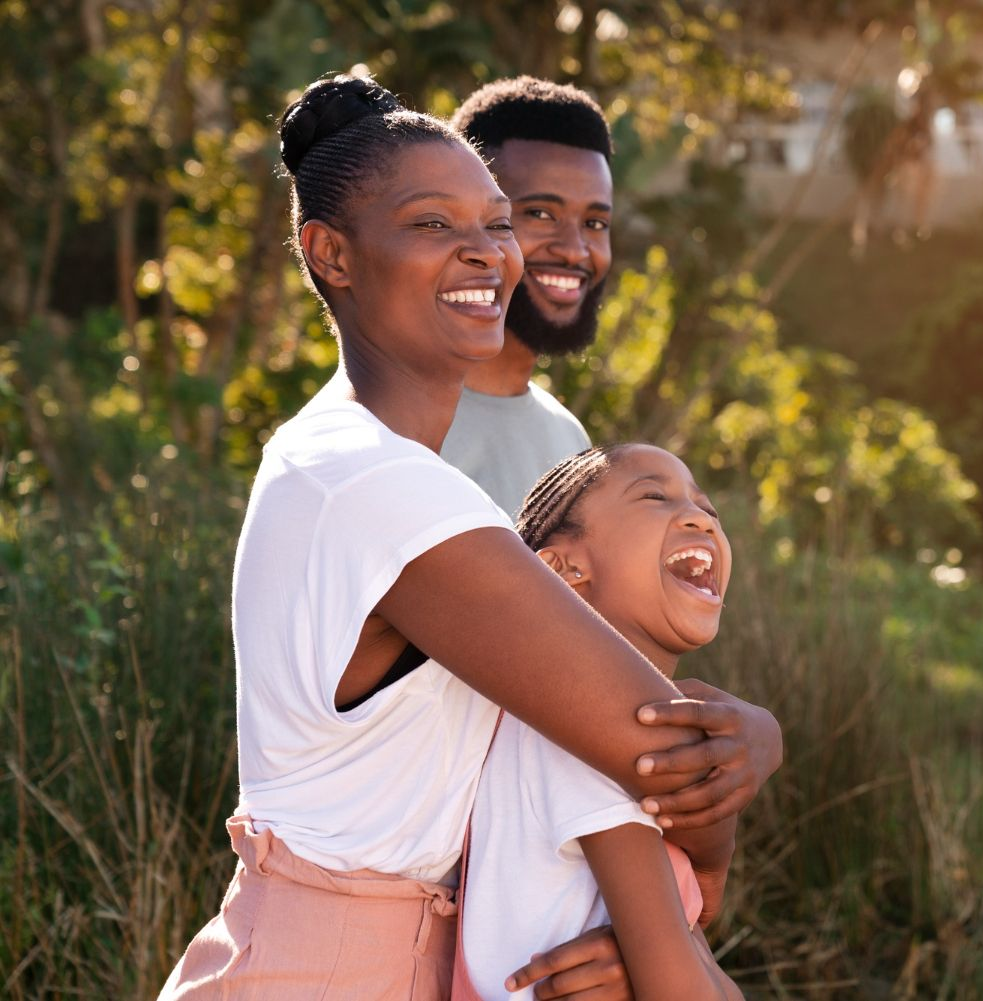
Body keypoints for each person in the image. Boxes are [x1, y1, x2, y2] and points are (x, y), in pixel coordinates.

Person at [158, 74, 779, 1001]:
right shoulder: (381, 487)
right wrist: (755, 746)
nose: (486, 253)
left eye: (493, 224)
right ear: (331, 253)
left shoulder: (344, 455)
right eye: (432, 225)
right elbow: (669, 755)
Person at [455, 445, 744, 1001]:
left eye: (709, 509)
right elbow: (681, 985)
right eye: (655, 496)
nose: (700, 517)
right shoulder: (581, 731)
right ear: (562, 569)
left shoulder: (609, 721)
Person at [440, 77, 610, 517]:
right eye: (539, 214)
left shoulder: (567, 437)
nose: (575, 249)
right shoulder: (399, 427)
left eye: (595, 223)